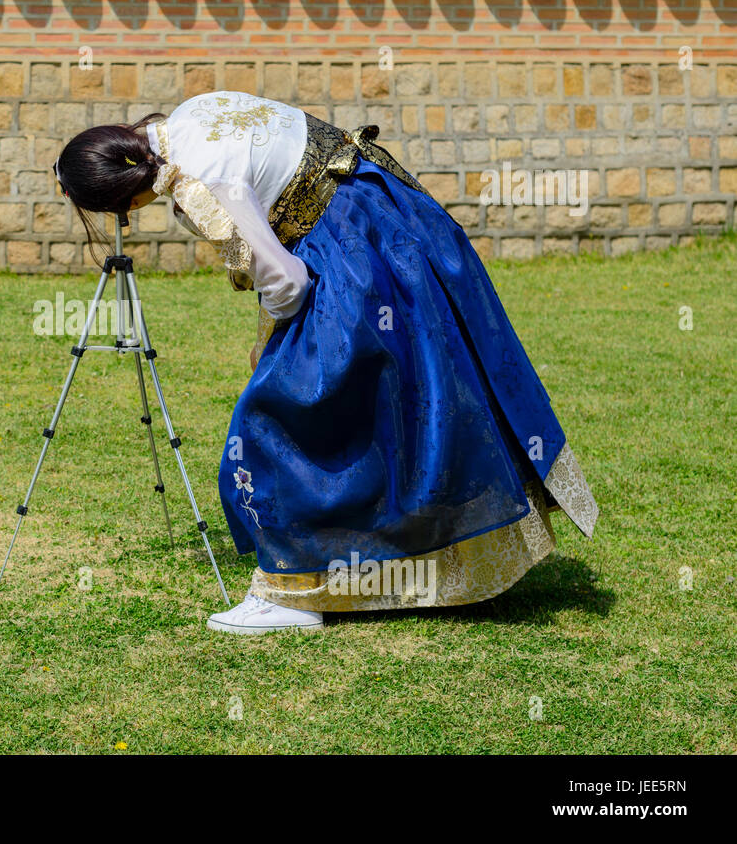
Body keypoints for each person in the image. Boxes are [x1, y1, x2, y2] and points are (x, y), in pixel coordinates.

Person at [53, 90, 599, 634]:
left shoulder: (199, 182)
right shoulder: (193, 111)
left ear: (123, 203)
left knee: (284, 409)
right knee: (412, 386)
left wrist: (271, 340)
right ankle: (434, 561)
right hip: (390, 214)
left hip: (353, 251)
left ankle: (294, 594)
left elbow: (287, 282)